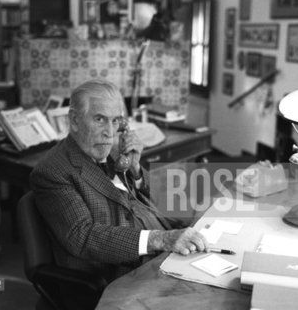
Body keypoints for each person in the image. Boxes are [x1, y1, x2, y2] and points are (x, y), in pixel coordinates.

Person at [30, 79, 210, 282]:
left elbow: (152, 204)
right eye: (99, 119)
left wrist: (136, 172)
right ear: (74, 120)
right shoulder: (53, 171)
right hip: (118, 276)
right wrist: (158, 239)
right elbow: (83, 237)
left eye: (115, 121)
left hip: (164, 252)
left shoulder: (114, 152)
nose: (109, 132)